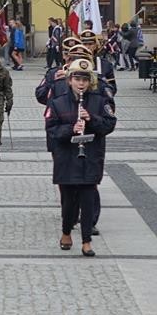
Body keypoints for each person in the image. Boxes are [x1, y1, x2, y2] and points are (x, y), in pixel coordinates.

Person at [46, 58, 116, 257]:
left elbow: (109, 124)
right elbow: (51, 130)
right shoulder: (58, 102)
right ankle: (66, 231)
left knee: (87, 200)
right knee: (69, 202)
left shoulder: (99, 101)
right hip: (67, 158)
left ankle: (86, 241)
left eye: (85, 79)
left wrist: (91, 119)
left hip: (91, 157)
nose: (81, 83)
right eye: (77, 79)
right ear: (69, 80)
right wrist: (71, 129)